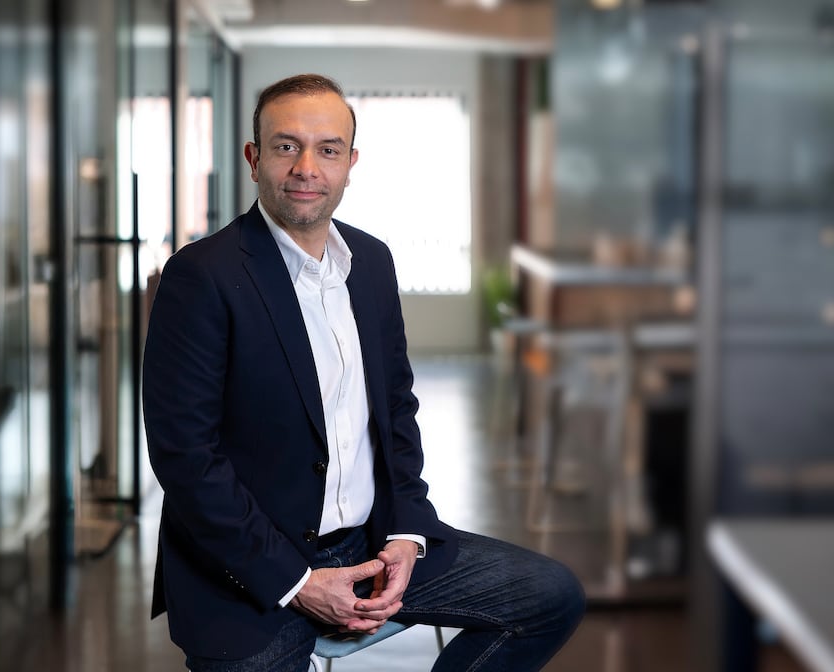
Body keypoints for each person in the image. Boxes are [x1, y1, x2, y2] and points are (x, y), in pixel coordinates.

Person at [142, 73, 584, 672]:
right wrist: (298, 582)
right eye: (286, 146)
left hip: (370, 543)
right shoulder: (202, 275)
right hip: (252, 569)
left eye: (328, 150)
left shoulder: (371, 262)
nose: (306, 168)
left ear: (350, 163)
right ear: (253, 158)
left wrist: (407, 534)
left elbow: (395, 410)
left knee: (550, 597)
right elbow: (185, 458)